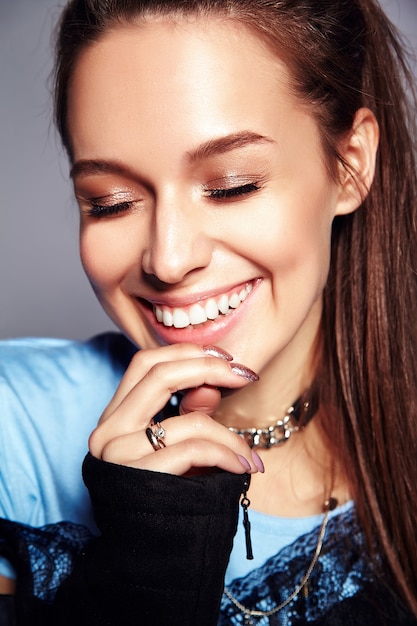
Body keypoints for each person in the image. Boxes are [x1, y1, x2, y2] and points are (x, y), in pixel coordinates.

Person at [1, 0, 417, 624]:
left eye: (231, 186)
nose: (167, 260)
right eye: (110, 202)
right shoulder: (13, 423)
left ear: (350, 166)